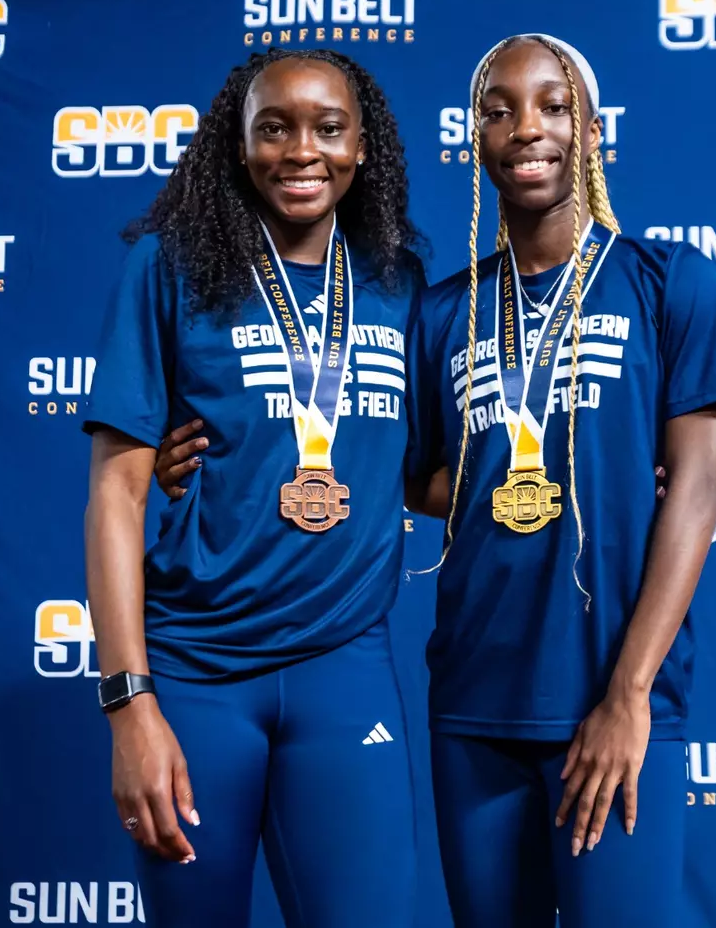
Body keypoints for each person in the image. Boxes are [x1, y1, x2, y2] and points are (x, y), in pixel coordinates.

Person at [403, 33, 716, 927]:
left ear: (593, 132)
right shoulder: (443, 312)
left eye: (554, 105)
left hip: (614, 696)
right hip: (475, 703)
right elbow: (420, 479)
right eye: (500, 109)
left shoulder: (668, 281)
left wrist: (627, 696)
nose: (528, 127)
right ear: (476, 139)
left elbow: (698, 490)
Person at [81, 47, 424, 928]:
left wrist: (599, 467)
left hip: (344, 663)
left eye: (328, 128)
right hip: (196, 674)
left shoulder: (398, 280)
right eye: (273, 128)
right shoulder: (171, 265)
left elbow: (425, 475)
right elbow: (117, 497)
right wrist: (130, 705)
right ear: (237, 146)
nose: (300, 150)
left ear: (363, 147)